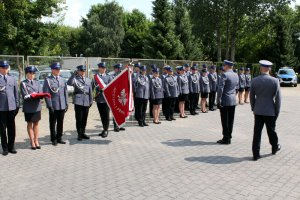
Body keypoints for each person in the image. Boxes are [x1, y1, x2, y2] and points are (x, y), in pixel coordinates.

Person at [250, 60, 281, 161]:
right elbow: (278, 98)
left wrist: (253, 107)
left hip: (258, 110)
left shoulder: (254, 80)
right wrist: (277, 111)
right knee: (271, 131)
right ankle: (274, 147)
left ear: (261, 68)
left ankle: (255, 154)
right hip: (270, 110)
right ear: (270, 69)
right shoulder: (275, 81)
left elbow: (251, 97)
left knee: (257, 133)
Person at [43, 62, 68, 146]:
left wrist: (66, 103)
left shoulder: (62, 79)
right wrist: (49, 105)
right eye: (56, 69)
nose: (58, 71)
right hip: (54, 105)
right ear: (52, 70)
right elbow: (46, 94)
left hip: (62, 105)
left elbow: (65, 92)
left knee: (60, 122)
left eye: (59, 69)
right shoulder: (48, 80)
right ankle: (53, 139)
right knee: (53, 123)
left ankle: (59, 137)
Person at [67, 65, 93, 140]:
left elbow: (90, 91)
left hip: (86, 101)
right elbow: (69, 83)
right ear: (78, 71)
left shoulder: (88, 80)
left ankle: (83, 132)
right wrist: (73, 75)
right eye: (81, 71)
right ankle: (79, 134)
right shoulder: (75, 79)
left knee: (85, 118)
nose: (83, 72)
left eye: (84, 71)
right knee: (79, 119)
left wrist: (91, 100)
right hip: (78, 101)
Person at [20, 66, 43, 150]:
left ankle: (36, 140)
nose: (32, 75)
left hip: (37, 106)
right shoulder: (23, 83)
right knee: (29, 124)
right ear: (27, 74)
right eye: (30, 73)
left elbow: (40, 92)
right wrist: (32, 95)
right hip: (29, 106)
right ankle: (32, 141)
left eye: (33, 73)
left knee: (36, 124)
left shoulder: (37, 82)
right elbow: (25, 95)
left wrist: (39, 95)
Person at [216, 60, 239, 145]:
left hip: (225, 100)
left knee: (225, 120)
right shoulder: (236, 75)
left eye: (224, 65)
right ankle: (229, 136)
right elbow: (237, 88)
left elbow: (220, 89)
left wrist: (218, 100)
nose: (223, 67)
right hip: (233, 100)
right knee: (231, 120)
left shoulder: (225, 75)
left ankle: (226, 138)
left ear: (226, 66)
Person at [0, 60, 19, 155]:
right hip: (1, 108)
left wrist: (17, 105)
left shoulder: (12, 79)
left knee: (12, 128)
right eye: (3, 67)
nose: (5, 69)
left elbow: (16, 93)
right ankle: (5, 148)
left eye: (6, 67)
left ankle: (11, 146)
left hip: (12, 107)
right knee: (3, 130)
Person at [111, 63, 126, 132]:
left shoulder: (122, 75)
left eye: (120, 68)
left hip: (122, 96)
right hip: (115, 96)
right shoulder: (112, 76)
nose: (120, 70)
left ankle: (120, 125)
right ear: (115, 69)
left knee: (121, 111)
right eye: (118, 68)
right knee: (115, 111)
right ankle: (115, 126)